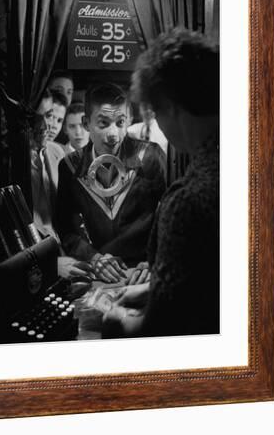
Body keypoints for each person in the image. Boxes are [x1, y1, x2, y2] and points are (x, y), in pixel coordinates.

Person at [103, 27, 220, 337]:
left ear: (171, 107)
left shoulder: (188, 200)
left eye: (154, 112)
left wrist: (114, 319)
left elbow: (161, 327)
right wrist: (154, 288)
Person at [56, 83, 166, 283]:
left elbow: (167, 216)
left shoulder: (150, 156)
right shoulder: (70, 167)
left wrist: (155, 259)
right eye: (103, 123)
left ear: (129, 120)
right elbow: (66, 228)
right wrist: (93, 257)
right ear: (86, 123)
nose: (113, 134)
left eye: (120, 122)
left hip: (144, 272)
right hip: (99, 272)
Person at [30, 89, 64, 239]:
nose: (45, 126)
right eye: (36, 118)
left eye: (49, 115)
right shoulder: (10, 163)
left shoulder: (57, 151)